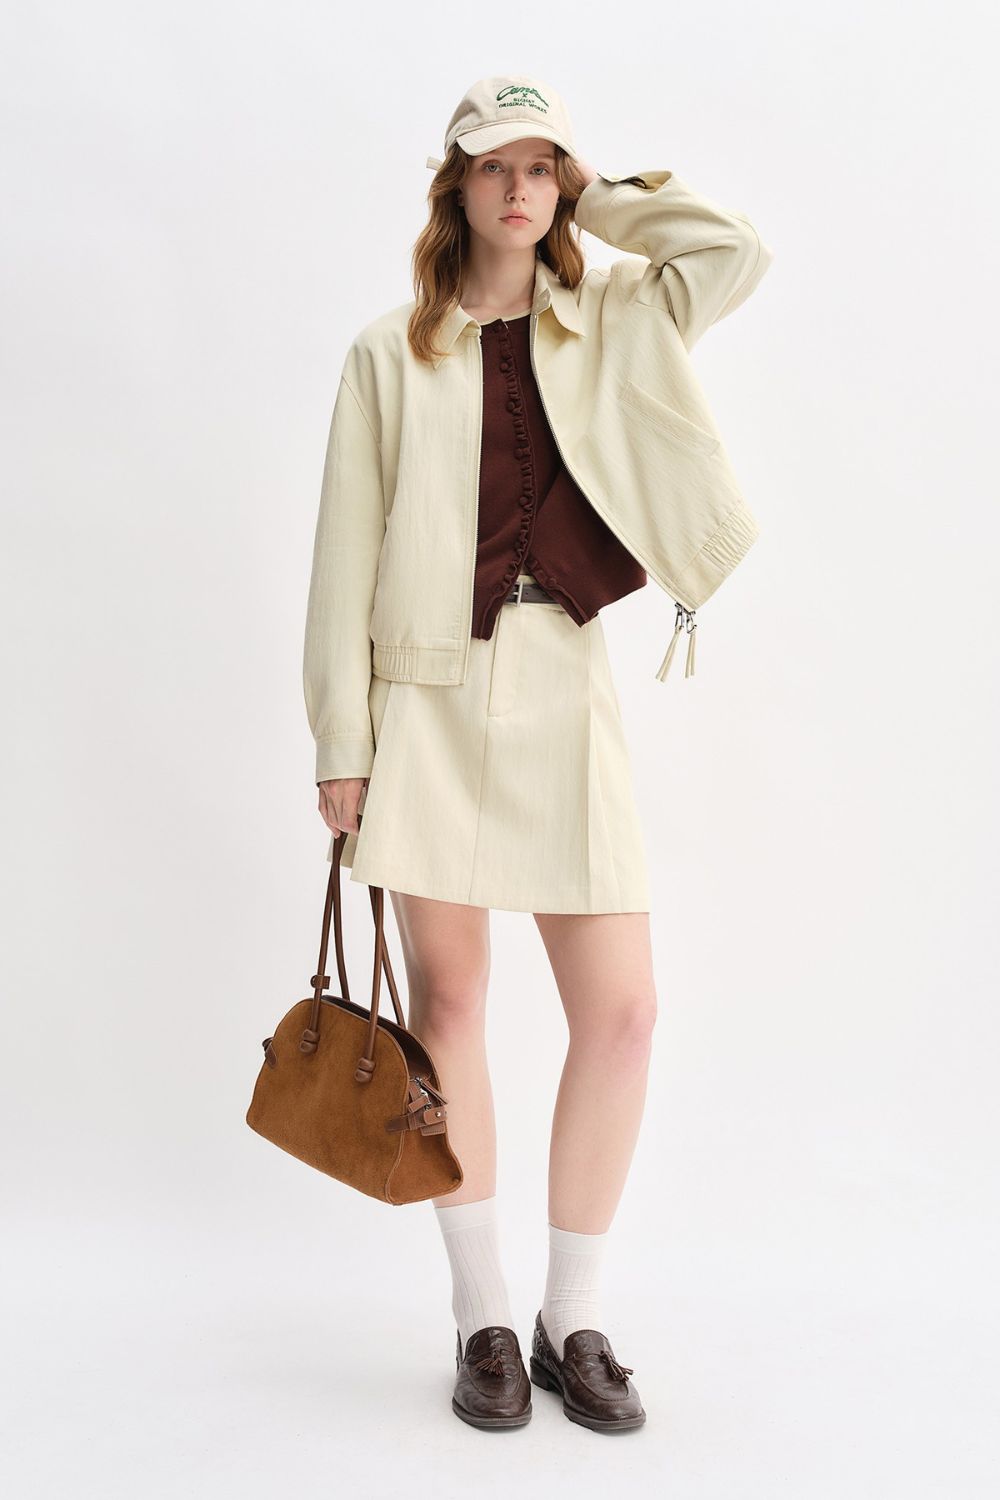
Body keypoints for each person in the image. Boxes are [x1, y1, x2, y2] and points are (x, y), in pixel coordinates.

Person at [302, 73, 773, 1432]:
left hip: (569, 687)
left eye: (540, 167)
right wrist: (344, 740)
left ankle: (576, 1314)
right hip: (427, 703)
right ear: (449, 187)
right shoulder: (389, 354)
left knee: (621, 1013)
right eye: (491, 167)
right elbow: (343, 562)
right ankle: (484, 1319)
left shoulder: (621, 311)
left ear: (562, 184)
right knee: (450, 1018)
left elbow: (734, 251)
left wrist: (606, 190)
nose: (518, 189)